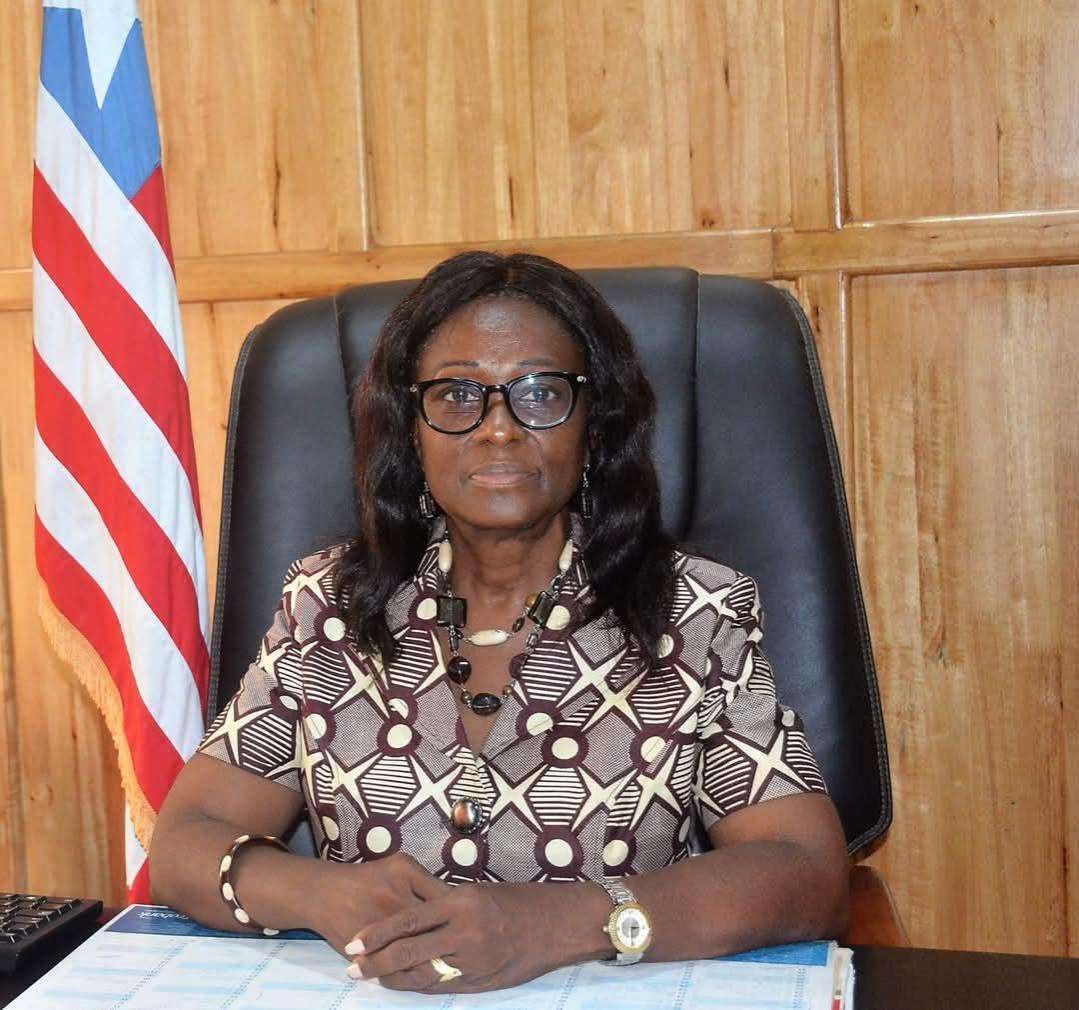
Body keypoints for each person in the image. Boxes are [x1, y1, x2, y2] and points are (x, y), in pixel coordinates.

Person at [150, 250, 849, 994]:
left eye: (540, 393)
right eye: (457, 395)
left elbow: (805, 870)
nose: (498, 430)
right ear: (410, 431)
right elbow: (183, 843)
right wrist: (318, 893)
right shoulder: (330, 606)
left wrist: (564, 922)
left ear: (595, 425)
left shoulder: (694, 614)